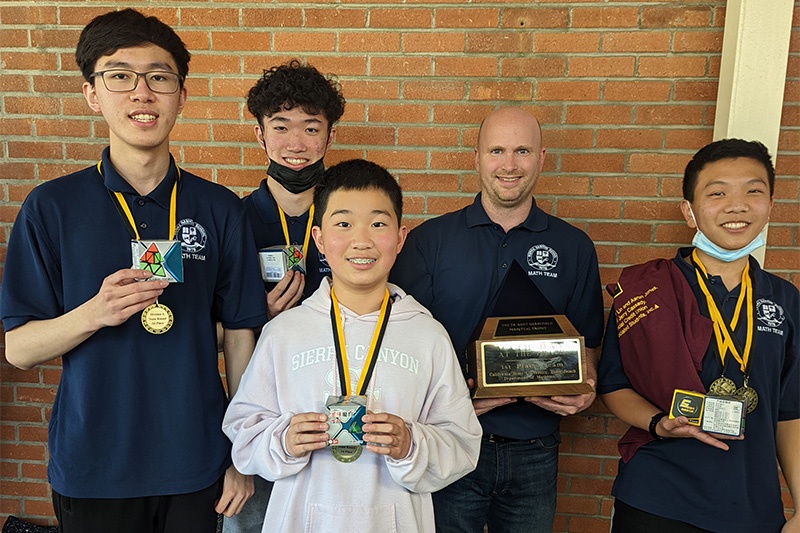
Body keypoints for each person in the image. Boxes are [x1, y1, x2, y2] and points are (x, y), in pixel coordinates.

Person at [0, 9, 267, 532]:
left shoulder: (218, 209)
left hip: (195, 462)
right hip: (93, 465)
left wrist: (240, 452)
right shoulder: (51, 207)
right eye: (120, 76)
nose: (142, 93)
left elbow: (239, 338)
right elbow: (20, 350)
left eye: (160, 77)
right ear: (92, 94)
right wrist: (95, 313)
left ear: (181, 96)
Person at [222, 159, 482, 533]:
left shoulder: (428, 336)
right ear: (320, 240)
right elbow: (243, 430)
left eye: (378, 224)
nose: (362, 240)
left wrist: (411, 443)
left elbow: (462, 442)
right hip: (301, 518)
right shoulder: (284, 333)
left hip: (396, 518)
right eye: (343, 224)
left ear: (400, 237)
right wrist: (283, 439)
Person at [391, 106, 605, 532]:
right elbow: (400, 347)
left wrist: (587, 388)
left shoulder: (574, 246)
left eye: (522, 151)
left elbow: (588, 347)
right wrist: (449, 400)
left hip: (535, 448)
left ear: (542, 158)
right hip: (448, 441)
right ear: (477, 157)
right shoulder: (429, 241)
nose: (509, 165)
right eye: (497, 150)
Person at [598, 139, 798, 533]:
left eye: (753, 191)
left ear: (771, 205)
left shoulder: (785, 300)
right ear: (689, 211)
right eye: (717, 192)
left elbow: (791, 411)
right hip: (658, 496)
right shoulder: (645, 289)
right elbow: (613, 384)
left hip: (749, 503)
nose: (737, 205)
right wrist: (657, 423)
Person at [224, 59, 346, 533]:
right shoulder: (231, 222)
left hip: (341, 418)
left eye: (311, 128)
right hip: (262, 424)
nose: (296, 144)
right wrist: (259, 317)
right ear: (260, 135)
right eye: (281, 127)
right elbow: (203, 333)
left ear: (329, 137)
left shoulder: (348, 221)